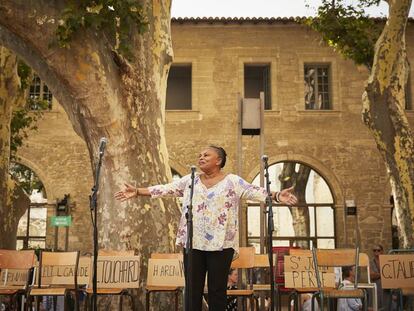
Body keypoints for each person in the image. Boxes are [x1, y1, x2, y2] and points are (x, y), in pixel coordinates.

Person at [115, 145, 297, 311]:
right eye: (200, 155)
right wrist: (138, 191)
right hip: (193, 242)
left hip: (221, 244)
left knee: (217, 290)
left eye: (206, 155)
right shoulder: (190, 180)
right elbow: (166, 189)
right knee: (192, 290)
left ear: (218, 161)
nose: (201, 157)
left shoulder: (232, 181)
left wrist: (278, 195)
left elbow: (254, 191)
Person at [369, 244, 385, 309]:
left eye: (378, 250)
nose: (376, 252)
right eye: (374, 250)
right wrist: (384, 274)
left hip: (385, 291)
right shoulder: (370, 262)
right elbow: (371, 276)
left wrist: (377, 274)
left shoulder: (386, 261)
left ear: (382, 251)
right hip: (375, 289)